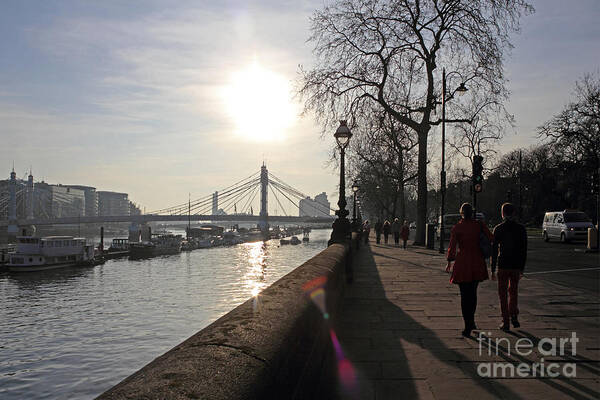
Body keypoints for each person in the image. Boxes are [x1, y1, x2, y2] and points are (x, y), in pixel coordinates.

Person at [446, 203, 493, 337]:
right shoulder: (479, 225)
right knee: (473, 293)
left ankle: (467, 324)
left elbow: (452, 246)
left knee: (464, 295)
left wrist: (449, 261)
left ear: (461, 213)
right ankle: (471, 320)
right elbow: (491, 238)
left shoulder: (457, 227)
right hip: (477, 261)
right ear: (472, 213)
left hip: (463, 262)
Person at [491, 202, 527, 331]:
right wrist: (522, 267)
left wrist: (492, 268)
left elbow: (494, 250)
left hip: (503, 264)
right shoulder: (521, 229)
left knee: (503, 293)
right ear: (514, 213)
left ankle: (505, 321)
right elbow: (524, 250)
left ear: (502, 214)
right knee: (513, 291)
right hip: (516, 264)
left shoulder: (499, 229)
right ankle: (514, 315)